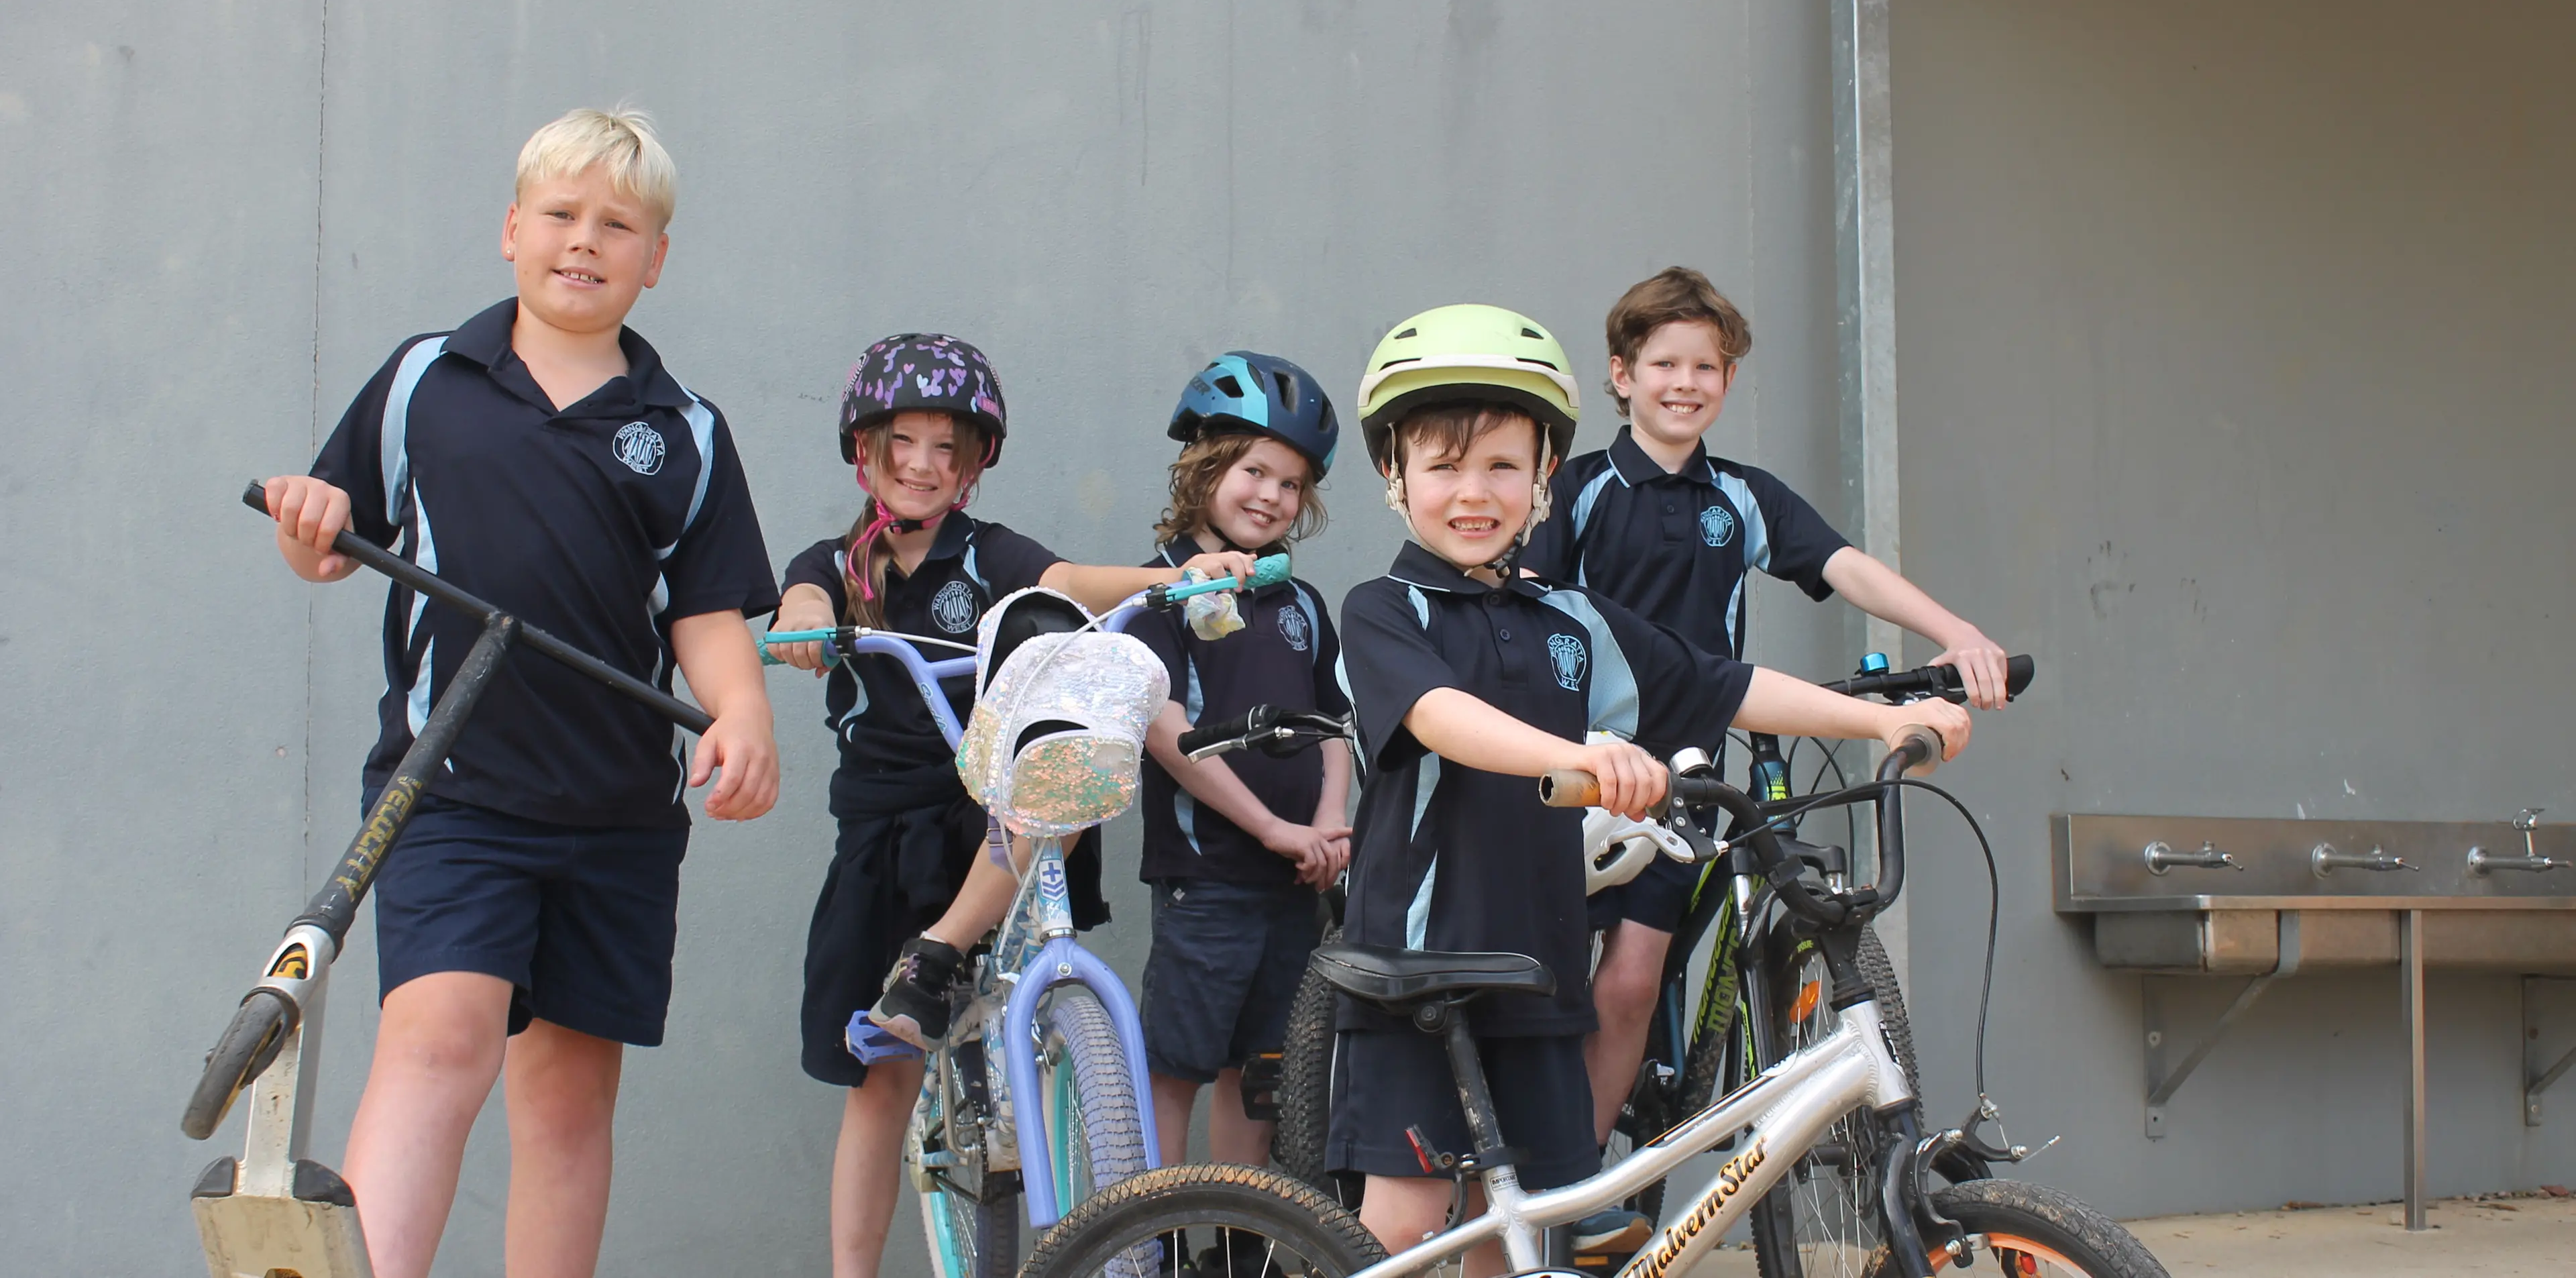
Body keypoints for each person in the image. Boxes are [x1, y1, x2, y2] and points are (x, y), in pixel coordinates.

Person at [1326, 303, 1970, 1277]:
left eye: (1504, 465)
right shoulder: (1386, 609)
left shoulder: (1574, 619)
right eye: (1444, 467)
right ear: (1394, 477)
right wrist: (1578, 756)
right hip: (1422, 973)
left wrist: (1885, 721)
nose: (1475, 491)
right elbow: (1441, 716)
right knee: (1407, 1228)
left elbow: (1724, 682)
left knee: (1524, 1236)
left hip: (1539, 975)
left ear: (1545, 476)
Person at [258, 106, 781, 1278]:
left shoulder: (684, 431)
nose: (583, 241)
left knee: (567, 1101)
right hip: (450, 792)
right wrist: (312, 522)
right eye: (559, 214)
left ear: (657, 258)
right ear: (510, 229)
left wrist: (743, 713)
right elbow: (330, 544)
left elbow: (704, 616)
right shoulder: (424, 379)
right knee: (438, 1041)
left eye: (617, 224)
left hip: (618, 816)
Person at [1519, 266, 2010, 1252]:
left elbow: (1843, 565)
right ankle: (1539, 1175)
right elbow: (1526, 609)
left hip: (1691, 768)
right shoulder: (1577, 486)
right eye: (1664, 363)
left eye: (1708, 365)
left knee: (1630, 982)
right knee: (1547, 982)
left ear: (1729, 380)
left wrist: (1954, 628)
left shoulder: (1740, 497)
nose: (1686, 381)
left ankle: (1582, 1196)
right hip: (1579, 767)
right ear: (1621, 373)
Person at [765, 333, 1262, 1278]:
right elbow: (802, 596)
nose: (921, 465)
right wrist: (800, 626)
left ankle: (944, 952)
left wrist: (1172, 578)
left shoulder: (992, 554)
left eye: (946, 448)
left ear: (975, 463)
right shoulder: (841, 562)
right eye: (900, 443)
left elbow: (1067, 585)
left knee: (1062, 776)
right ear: (863, 451)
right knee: (881, 1082)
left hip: (983, 803)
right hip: (887, 826)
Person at [1126, 353, 1353, 1171]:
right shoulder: (1157, 592)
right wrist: (1271, 828)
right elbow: (1167, 734)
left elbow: (1332, 725)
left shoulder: (1300, 602)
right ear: (1204, 466)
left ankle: (1234, 1244)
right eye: (1254, 471)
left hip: (1294, 881)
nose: (1271, 496)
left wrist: (1328, 824)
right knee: (1179, 1065)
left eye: (1291, 484)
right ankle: (1148, 1241)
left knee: (1259, 1073)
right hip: (1209, 879)